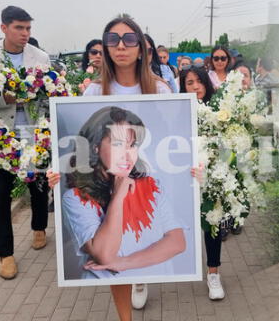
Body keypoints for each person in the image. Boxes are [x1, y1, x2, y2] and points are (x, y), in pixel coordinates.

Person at [54, 14, 173, 320]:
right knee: (113, 248)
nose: (121, 46)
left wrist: (192, 170)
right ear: (105, 47)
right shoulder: (94, 91)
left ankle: (141, 276)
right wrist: (57, 174)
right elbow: (81, 147)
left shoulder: (160, 88)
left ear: (140, 47)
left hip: (144, 174)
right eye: (113, 40)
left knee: (140, 236)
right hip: (105, 183)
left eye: (129, 39)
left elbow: (174, 133)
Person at [0, 5, 51, 280]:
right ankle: (5, 254)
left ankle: (39, 227)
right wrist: (3, 98)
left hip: (33, 129)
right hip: (0, 134)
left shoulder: (40, 57)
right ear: (4, 28)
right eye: (19, 28)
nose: (25, 33)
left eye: (28, 28)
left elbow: (47, 95)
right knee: (1, 194)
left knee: (38, 185)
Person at [59, 106, 186, 277]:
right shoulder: (75, 198)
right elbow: (105, 255)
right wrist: (118, 197)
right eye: (118, 144)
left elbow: (177, 242)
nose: (127, 154)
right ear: (95, 146)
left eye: (132, 145)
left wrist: (123, 263)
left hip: (157, 285)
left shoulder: (152, 186)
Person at [180, 65, 230, 300]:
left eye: (198, 81)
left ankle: (213, 274)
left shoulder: (219, 109)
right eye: (189, 83)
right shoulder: (177, 111)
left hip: (211, 177)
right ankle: (146, 277)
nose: (195, 86)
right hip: (183, 176)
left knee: (212, 225)